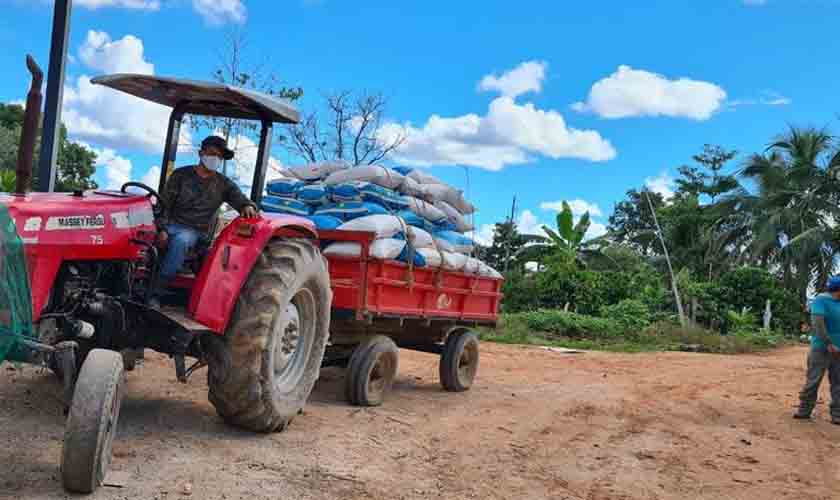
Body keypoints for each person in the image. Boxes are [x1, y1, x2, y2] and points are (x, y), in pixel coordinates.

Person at [152, 135, 258, 305]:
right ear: (201, 153)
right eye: (212, 154)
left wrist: (248, 206)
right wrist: (162, 229)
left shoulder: (223, 184)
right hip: (172, 224)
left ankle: (156, 292)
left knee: (181, 240)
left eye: (220, 157)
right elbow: (164, 204)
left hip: (197, 231)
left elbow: (240, 199)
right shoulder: (181, 175)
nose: (216, 159)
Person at [793, 276, 840, 424]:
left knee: (838, 383)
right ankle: (804, 410)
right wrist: (829, 343)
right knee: (814, 380)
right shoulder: (821, 300)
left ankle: (837, 414)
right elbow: (818, 324)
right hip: (821, 348)